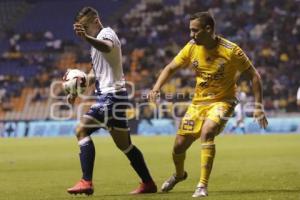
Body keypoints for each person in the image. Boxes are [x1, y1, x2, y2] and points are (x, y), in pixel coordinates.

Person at [148, 12, 268, 198]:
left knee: (208, 131)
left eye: (194, 30)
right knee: (179, 146)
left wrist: (258, 106)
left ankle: (202, 186)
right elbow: (171, 67)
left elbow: (254, 75)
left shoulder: (231, 50)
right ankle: (179, 175)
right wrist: (156, 88)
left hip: (223, 101)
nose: (191, 35)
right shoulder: (191, 47)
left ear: (208, 29)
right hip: (198, 104)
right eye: (190, 30)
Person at [67, 6, 157, 195]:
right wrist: (76, 90)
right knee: (125, 145)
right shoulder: (95, 44)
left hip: (111, 97)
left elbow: (107, 47)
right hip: (115, 97)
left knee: (81, 129)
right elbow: (94, 74)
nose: (82, 31)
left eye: (84, 26)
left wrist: (86, 38)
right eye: (80, 28)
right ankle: (148, 183)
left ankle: (86, 181)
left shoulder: (107, 34)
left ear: (95, 20)